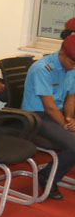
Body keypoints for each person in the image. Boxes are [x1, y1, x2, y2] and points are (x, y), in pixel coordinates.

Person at [21, 36, 75, 200]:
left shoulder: (72, 67)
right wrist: (67, 127)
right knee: (74, 145)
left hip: (58, 112)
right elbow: (49, 107)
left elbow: (71, 97)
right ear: (61, 53)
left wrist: (69, 118)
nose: (74, 67)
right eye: (72, 63)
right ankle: (47, 176)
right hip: (37, 116)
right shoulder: (42, 69)